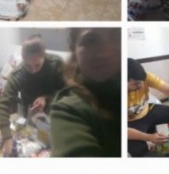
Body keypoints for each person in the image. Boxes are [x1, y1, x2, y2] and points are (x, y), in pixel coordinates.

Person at [50, 28, 121, 157]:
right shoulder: (69, 109)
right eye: (90, 41)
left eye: (116, 37)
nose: (105, 53)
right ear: (74, 50)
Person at [0, 35, 66, 156]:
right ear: (23, 59)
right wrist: (7, 137)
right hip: (29, 110)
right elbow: (3, 105)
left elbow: (67, 92)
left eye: (37, 65)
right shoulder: (18, 74)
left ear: (44, 56)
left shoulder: (56, 64)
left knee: (55, 143)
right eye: (28, 66)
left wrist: (47, 98)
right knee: (33, 141)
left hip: (56, 109)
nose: (33, 70)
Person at [126, 58, 169, 157]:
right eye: (135, 84)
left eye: (141, 82)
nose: (141, 85)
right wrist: (149, 137)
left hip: (148, 111)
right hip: (131, 124)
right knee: (139, 153)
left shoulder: (145, 77)